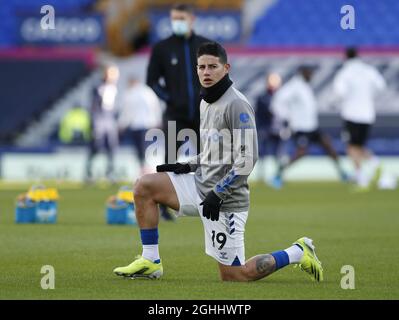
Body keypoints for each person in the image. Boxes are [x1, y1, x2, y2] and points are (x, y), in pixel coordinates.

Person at [113, 42, 323, 282]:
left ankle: (297, 251)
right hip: (200, 187)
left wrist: (219, 192)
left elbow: (247, 158)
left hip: (225, 201)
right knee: (144, 186)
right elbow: (215, 151)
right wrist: (189, 165)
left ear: (226, 68)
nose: (206, 72)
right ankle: (151, 261)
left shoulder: (237, 105)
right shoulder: (206, 101)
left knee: (235, 275)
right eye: (201, 67)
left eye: (213, 66)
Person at [146, 3, 211, 219]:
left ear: (192, 19)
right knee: (171, 159)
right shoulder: (162, 48)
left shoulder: (205, 46)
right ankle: (164, 205)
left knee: (209, 157)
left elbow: (217, 77)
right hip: (176, 114)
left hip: (203, 114)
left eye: (181, 18)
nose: (177, 22)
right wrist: (170, 99)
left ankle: (211, 202)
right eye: (174, 18)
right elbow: (152, 81)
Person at [271, 65, 348, 189]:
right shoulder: (294, 86)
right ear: (302, 73)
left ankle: (343, 173)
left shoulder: (305, 86)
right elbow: (278, 101)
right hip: (300, 128)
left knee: (328, 145)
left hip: (312, 127)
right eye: (309, 73)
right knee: (301, 153)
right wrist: (286, 117)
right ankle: (278, 174)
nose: (312, 76)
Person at [333, 47, 387, 188]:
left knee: (351, 147)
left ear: (346, 57)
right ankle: (375, 164)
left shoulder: (345, 72)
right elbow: (381, 86)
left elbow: (339, 92)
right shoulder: (368, 70)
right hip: (367, 114)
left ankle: (361, 177)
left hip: (351, 114)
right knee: (359, 145)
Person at [118, 77, 163, 175]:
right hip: (147, 125)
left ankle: (144, 167)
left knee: (141, 149)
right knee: (145, 148)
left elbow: (127, 112)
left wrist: (122, 124)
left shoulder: (130, 94)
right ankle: (145, 167)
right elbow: (155, 107)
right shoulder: (147, 92)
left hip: (137, 126)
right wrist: (157, 120)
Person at [86, 65, 120, 182]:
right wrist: (95, 124)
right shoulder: (98, 87)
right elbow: (94, 107)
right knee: (96, 146)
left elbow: (113, 107)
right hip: (99, 120)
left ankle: (110, 173)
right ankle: (89, 174)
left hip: (109, 119)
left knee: (112, 148)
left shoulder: (114, 88)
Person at [254, 72, 289, 182]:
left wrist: (286, 127)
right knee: (262, 153)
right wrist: (260, 128)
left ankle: (279, 175)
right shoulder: (263, 97)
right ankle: (261, 175)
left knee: (279, 153)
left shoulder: (283, 97)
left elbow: (286, 114)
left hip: (278, 129)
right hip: (266, 128)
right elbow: (259, 114)